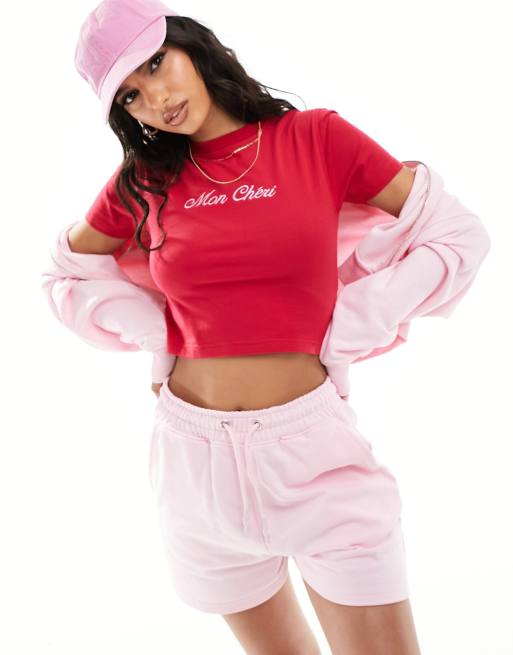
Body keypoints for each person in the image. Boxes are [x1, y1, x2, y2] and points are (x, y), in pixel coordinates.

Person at [57, 1, 462, 653]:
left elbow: (450, 231)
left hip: (313, 453)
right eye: (130, 95)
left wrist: (351, 326)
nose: (154, 98)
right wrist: (158, 340)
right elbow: (66, 270)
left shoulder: (315, 137)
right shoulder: (147, 180)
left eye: (156, 64)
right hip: (193, 465)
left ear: (195, 47)